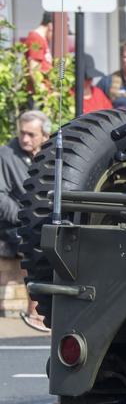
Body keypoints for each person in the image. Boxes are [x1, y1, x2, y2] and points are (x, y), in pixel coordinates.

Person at [0, 111, 51, 332]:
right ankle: (36, 311)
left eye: (31, 134)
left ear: (44, 135)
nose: (25, 139)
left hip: (45, 218)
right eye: (22, 133)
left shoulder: (52, 153)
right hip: (15, 223)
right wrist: (23, 217)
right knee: (34, 245)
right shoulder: (6, 155)